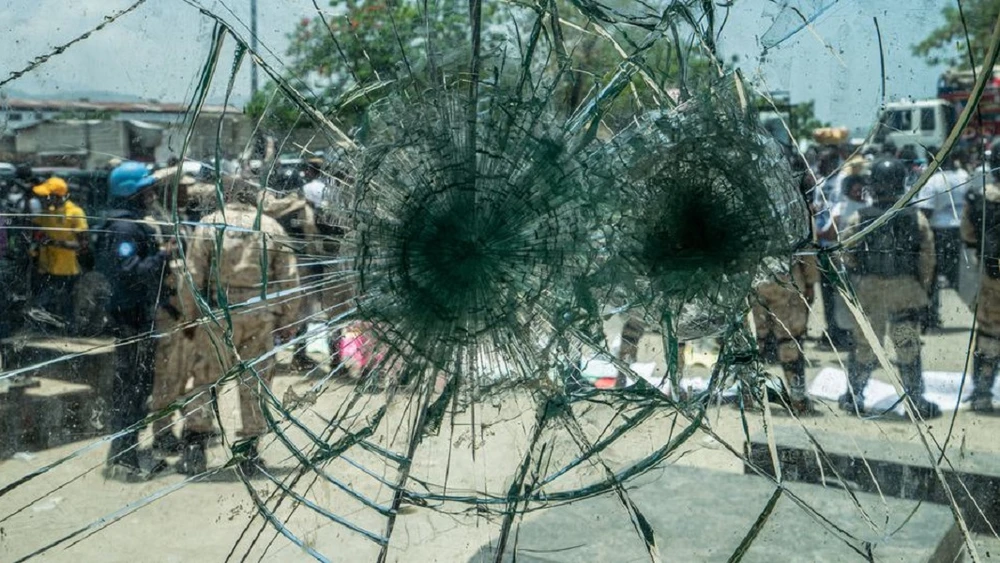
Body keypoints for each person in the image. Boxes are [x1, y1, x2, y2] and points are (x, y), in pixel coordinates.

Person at [177, 175, 300, 476]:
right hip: (259, 315)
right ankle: (248, 452)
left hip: (219, 314)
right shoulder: (270, 227)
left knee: (205, 380)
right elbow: (289, 278)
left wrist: (189, 316)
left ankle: (195, 445)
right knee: (254, 383)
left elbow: (192, 275)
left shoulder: (209, 224)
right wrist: (288, 320)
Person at [838, 158, 940, 419]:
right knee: (907, 344)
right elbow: (927, 259)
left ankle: (855, 395)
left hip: (870, 289)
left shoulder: (860, 216)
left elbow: (846, 252)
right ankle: (915, 400)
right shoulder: (916, 217)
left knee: (864, 345)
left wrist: (861, 275)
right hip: (904, 290)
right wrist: (922, 288)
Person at [98, 162, 174, 480]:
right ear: (132, 192)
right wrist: (164, 256)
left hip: (139, 315)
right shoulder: (125, 229)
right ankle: (124, 457)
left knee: (138, 387)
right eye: (146, 188)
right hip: (131, 318)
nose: (151, 193)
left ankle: (127, 451)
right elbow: (129, 272)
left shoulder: (132, 224)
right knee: (130, 388)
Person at [145, 169, 199, 453]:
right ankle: (162, 433)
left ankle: (176, 428)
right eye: (181, 188)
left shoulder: (181, 222)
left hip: (186, 310)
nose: (188, 194)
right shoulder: (157, 223)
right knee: (166, 376)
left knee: (184, 373)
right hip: (168, 310)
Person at [751, 253, 820, 414]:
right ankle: (797, 399)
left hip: (754, 280)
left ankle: (747, 394)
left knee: (755, 340)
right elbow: (806, 249)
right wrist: (810, 281)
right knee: (789, 341)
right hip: (786, 282)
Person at [960, 141, 1000, 412]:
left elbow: (967, 234)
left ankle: (983, 392)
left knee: (988, 334)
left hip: (992, 275)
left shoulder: (980, 196)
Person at [917, 148, 971, 329]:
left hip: (938, 232)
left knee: (930, 276)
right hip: (960, 231)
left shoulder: (932, 181)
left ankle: (930, 317)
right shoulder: (963, 177)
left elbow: (926, 211)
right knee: (960, 276)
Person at [32, 177, 88, 326]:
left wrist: (54, 243)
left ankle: (70, 329)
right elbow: (34, 230)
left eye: (47, 196)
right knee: (45, 305)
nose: (44, 199)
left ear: (57, 196)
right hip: (46, 266)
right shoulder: (47, 212)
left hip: (67, 269)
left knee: (67, 303)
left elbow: (82, 244)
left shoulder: (75, 212)